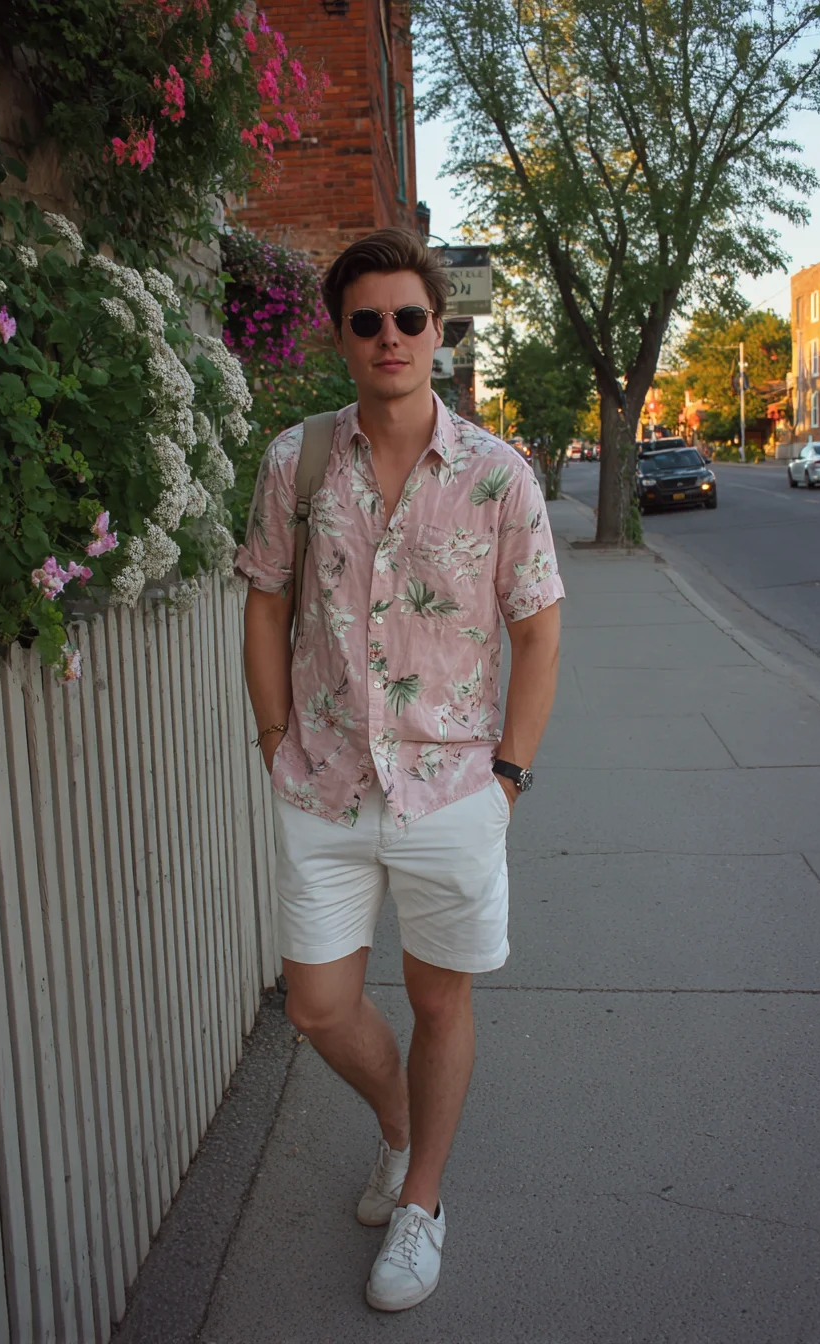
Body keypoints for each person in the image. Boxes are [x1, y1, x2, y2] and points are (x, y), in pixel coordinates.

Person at [235, 228, 563, 1313]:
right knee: (321, 1006)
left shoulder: (494, 472)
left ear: (438, 330)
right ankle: (397, 1128)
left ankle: (420, 1199)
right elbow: (267, 600)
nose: (390, 337)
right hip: (322, 781)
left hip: (453, 789)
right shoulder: (297, 460)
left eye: (408, 318)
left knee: (438, 1002)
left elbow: (538, 626)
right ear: (339, 338)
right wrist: (273, 735)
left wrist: (507, 775)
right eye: (366, 320)